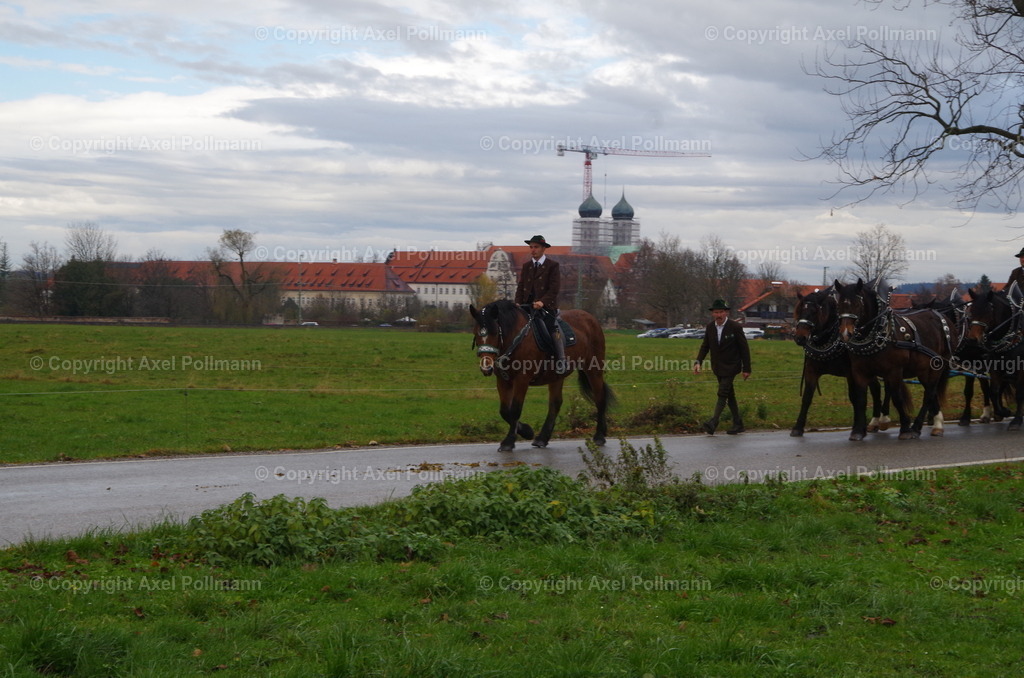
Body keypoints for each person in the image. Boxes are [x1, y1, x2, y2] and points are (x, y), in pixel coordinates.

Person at [693, 299, 752, 435]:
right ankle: (738, 423)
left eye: (721, 312)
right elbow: (705, 346)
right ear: (712, 313)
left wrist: (746, 368)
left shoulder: (735, 327)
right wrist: (698, 362)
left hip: (732, 366)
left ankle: (713, 422)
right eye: (716, 312)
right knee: (729, 394)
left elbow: (744, 348)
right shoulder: (710, 327)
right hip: (717, 366)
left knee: (723, 392)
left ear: (726, 313)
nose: (718, 315)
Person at [514, 234, 565, 372]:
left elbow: (554, 289)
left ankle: (561, 359)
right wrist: (517, 302)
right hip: (527, 307)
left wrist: (542, 302)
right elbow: (521, 286)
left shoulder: (552, 266)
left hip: (546, 307)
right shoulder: (527, 266)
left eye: (536, 247)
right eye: (531, 247)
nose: (533, 250)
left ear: (543, 248)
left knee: (551, 327)